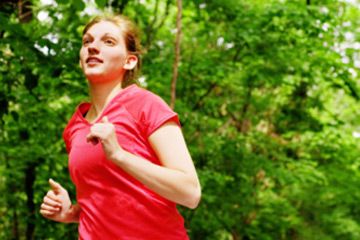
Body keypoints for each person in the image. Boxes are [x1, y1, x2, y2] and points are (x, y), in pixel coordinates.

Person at [39, 15, 201, 239]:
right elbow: (110, 202)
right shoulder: (75, 127)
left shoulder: (146, 106)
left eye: (108, 42)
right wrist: (70, 213)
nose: (93, 47)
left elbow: (190, 193)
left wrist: (119, 155)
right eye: (87, 41)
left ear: (130, 61)